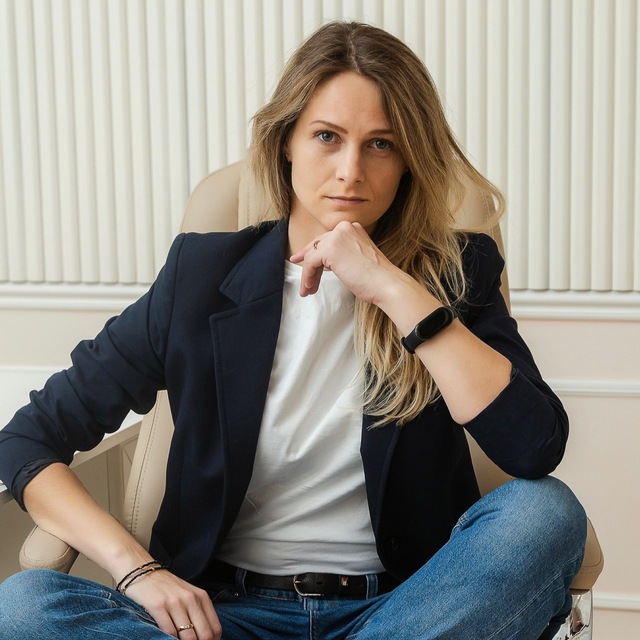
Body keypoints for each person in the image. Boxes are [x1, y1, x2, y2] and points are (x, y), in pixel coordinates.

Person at [0, 20, 586, 640]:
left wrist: (392, 288)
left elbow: (533, 447)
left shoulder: (457, 273)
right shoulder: (200, 276)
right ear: (286, 142)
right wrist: (135, 567)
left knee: (545, 513)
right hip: (224, 615)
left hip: (402, 611)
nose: (350, 171)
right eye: (327, 137)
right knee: (26, 605)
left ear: (409, 160)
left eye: (381, 144)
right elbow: (28, 440)